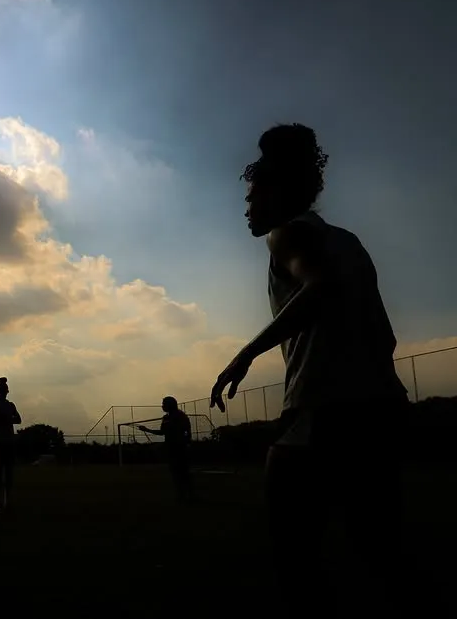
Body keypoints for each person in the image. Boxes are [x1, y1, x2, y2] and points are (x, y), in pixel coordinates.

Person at [208, 124, 409, 610]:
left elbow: (318, 289)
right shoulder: (348, 241)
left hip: (327, 410)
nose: (247, 207)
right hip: (382, 407)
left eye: (253, 196)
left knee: (295, 558)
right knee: (384, 553)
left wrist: (245, 354)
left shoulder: (288, 234)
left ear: (277, 194)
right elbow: (384, 334)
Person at [136, 396, 193, 503]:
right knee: (175, 473)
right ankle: (181, 496)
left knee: (183, 473)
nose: (162, 406)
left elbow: (187, 431)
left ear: (170, 405)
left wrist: (187, 443)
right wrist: (147, 430)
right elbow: (163, 432)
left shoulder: (180, 416)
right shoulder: (166, 418)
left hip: (180, 448)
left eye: (164, 404)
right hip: (171, 448)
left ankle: (189, 495)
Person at [0, 377, 21, 511]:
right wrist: (7, 419)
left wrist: (6, 419)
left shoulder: (10, 405)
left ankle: (5, 500)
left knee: (6, 471)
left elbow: (18, 419)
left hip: (7, 440)